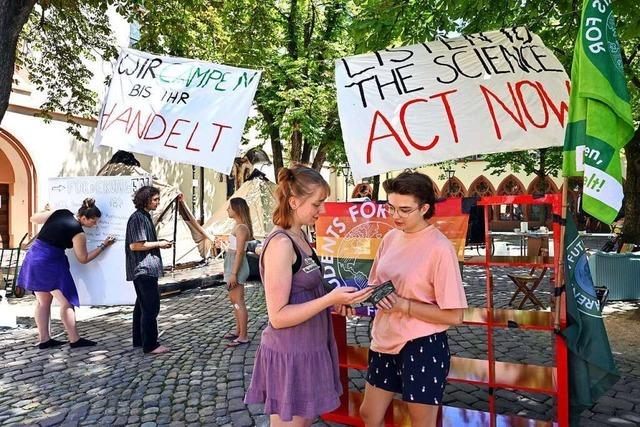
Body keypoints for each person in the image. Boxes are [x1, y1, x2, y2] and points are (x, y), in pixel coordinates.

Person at [245, 165, 372, 426]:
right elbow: (278, 317)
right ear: (294, 202)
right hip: (291, 354)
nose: (322, 210)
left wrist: (336, 302)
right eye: (317, 203)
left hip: (309, 347)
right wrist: (329, 300)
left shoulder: (300, 235)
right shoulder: (281, 244)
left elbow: (309, 291)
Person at [358, 171, 468, 427]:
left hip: (422, 344)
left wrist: (405, 305)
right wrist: (362, 298)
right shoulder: (389, 238)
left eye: (404, 209)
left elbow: (455, 316)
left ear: (425, 208)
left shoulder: (440, 248)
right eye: (391, 207)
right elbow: (375, 283)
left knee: (420, 422)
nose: (396, 216)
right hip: (384, 338)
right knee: (369, 413)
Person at [17, 199, 116, 349]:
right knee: (67, 302)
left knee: (43, 302)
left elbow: (33, 218)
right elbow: (83, 258)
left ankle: (44, 339)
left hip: (33, 257)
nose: (95, 225)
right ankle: (74, 339)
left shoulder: (61, 213)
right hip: (50, 262)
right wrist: (104, 245)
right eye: (93, 221)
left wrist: (49, 212)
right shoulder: (78, 232)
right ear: (83, 218)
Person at [125, 186, 172, 355]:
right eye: (155, 200)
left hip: (145, 268)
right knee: (151, 307)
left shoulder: (144, 216)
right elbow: (136, 245)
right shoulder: (138, 218)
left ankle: (140, 339)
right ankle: (150, 345)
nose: (158, 203)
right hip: (143, 268)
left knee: (142, 306)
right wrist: (160, 243)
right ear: (145, 199)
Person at [223, 197, 253, 347]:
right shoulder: (237, 226)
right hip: (231, 263)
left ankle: (243, 335)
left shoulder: (242, 228)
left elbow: (240, 252)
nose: (227, 209)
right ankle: (238, 329)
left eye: (229, 207)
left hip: (236, 265)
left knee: (239, 301)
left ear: (236, 209)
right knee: (234, 301)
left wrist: (234, 273)